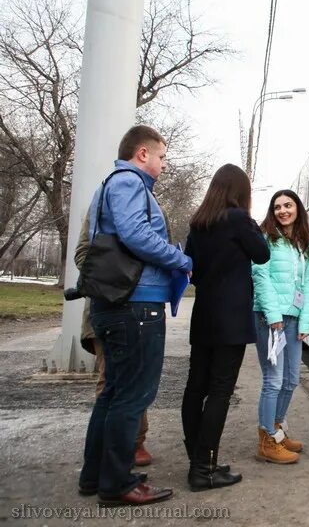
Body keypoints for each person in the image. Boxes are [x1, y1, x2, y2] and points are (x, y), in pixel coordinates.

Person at [78, 125, 192, 506]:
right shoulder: (129, 182)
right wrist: (181, 259)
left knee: (113, 394)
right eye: (161, 157)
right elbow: (135, 233)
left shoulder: (110, 184)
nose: (163, 164)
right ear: (142, 154)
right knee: (132, 396)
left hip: (118, 305)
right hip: (136, 306)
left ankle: (97, 475)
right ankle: (118, 484)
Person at [181, 164, 269, 490]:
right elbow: (261, 254)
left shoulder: (199, 223)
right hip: (231, 318)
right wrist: (252, 222)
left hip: (204, 313)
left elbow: (193, 272)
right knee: (220, 391)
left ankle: (198, 461)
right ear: (240, 192)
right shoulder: (238, 219)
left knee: (195, 388)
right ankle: (204, 470)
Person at [76, 214, 152, 468]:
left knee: (137, 380)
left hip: (142, 310)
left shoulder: (151, 208)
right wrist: (120, 276)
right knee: (110, 379)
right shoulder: (101, 207)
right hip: (108, 306)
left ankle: (131, 444)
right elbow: (82, 254)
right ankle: (110, 457)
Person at [251, 189, 309, 464]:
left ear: (297, 208)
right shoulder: (266, 238)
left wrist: (306, 320)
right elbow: (260, 276)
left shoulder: (306, 244)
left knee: (291, 379)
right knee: (274, 380)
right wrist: (273, 313)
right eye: (277, 207)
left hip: (293, 317)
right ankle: (266, 439)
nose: (283, 211)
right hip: (270, 318)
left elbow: (308, 285)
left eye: (288, 205)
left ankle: (277, 430)